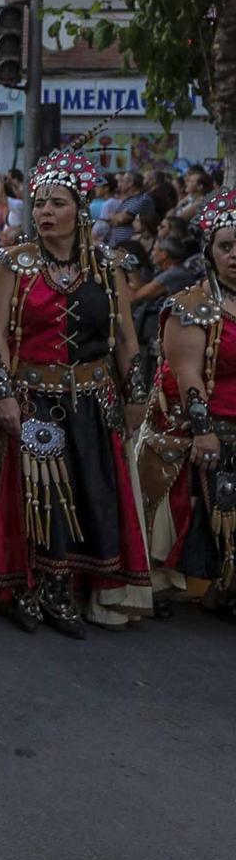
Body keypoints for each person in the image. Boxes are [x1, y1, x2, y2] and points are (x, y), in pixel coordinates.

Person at [0, 143, 150, 636]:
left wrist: (136, 396)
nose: (46, 212)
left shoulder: (106, 266)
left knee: (92, 491)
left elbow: (125, 338)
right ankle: (37, 590)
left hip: (95, 400)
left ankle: (81, 588)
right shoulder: (14, 264)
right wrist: (4, 394)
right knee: (41, 498)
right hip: (34, 397)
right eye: (39, 203)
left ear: (81, 208)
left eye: (57, 203)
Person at [136, 188, 236, 618]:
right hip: (198, 426)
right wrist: (204, 430)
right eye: (226, 246)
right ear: (210, 251)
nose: (235, 255)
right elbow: (187, 374)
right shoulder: (191, 306)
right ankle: (168, 582)